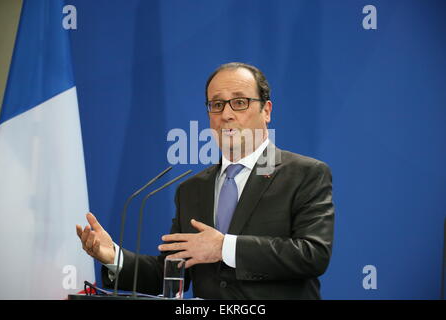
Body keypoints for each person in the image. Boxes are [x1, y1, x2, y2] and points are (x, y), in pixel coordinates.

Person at [76, 62, 334, 299]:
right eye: (217, 104)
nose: (227, 114)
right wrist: (114, 257)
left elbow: (313, 254)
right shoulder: (192, 189)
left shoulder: (305, 173)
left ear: (266, 110)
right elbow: (170, 272)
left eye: (240, 102)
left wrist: (225, 248)